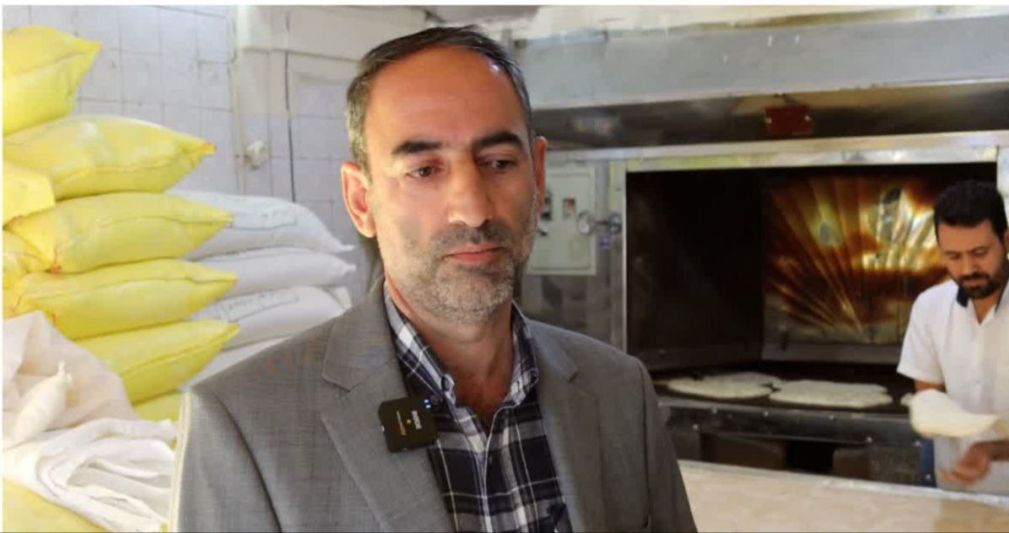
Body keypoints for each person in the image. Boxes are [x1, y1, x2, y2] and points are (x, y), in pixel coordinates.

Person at [172, 26, 696, 532]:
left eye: (499, 162)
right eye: (424, 170)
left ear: (538, 175)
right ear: (361, 201)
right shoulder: (245, 427)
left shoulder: (619, 391)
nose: (472, 209)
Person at [897, 180, 1009, 502]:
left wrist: (993, 450)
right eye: (953, 256)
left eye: (980, 253)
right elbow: (931, 403)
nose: (968, 269)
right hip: (957, 497)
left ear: (1008, 240)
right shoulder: (928, 308)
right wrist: (925, 412)